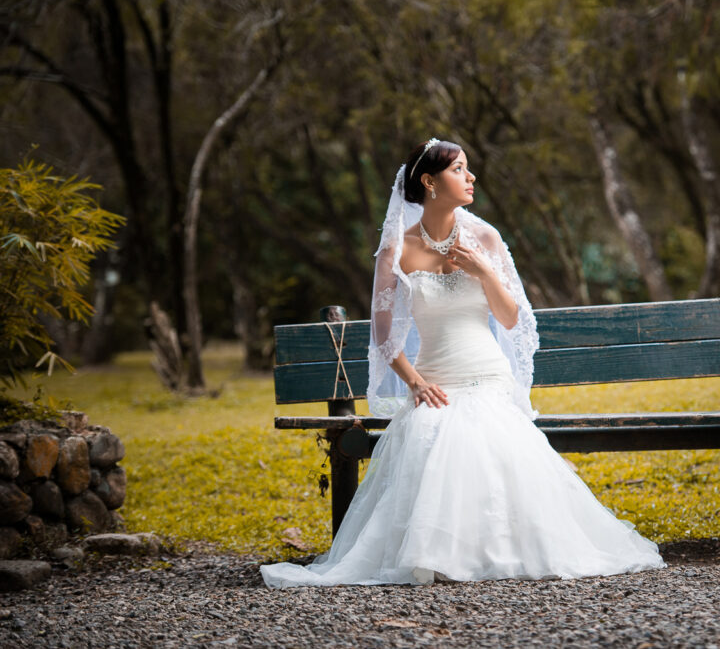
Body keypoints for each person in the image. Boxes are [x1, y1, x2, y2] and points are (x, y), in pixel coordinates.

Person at [260, 139, 665, 587]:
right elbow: (383, 337)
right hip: (435, 379)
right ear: (429, 181)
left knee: (490, 435)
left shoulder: (485, 238)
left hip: (488, 375)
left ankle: (505, 552)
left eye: (468, 169)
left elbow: (511, 318)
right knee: (434, 436)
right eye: (459, 169)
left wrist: (484, 271)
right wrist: (414, 383)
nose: (470, 177)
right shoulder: (397, 251)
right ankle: (443, 554)